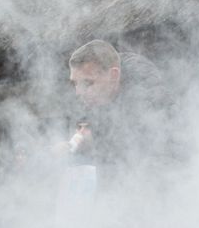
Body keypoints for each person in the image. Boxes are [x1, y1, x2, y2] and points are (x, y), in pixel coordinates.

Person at [65, 40, 174, 195]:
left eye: (87, 83)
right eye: (74, 84)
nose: (78, 92)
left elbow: (156, 161)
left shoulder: (147, 99)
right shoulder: (96, 98)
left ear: (114, 75)